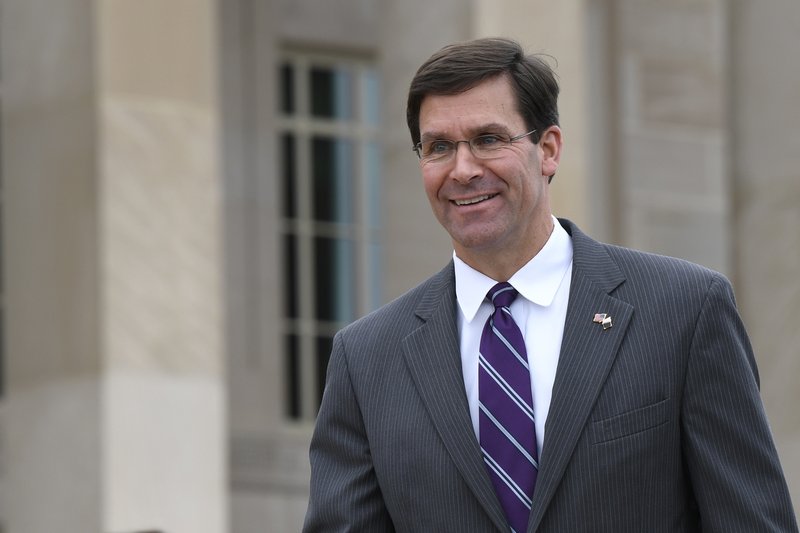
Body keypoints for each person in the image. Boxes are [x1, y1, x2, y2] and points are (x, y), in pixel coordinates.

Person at [303, 37, 798, 532]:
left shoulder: (684, 311)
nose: (463, 169)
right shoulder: (366, 360)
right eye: (439, 147)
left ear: (549, 149)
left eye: (489, 139)